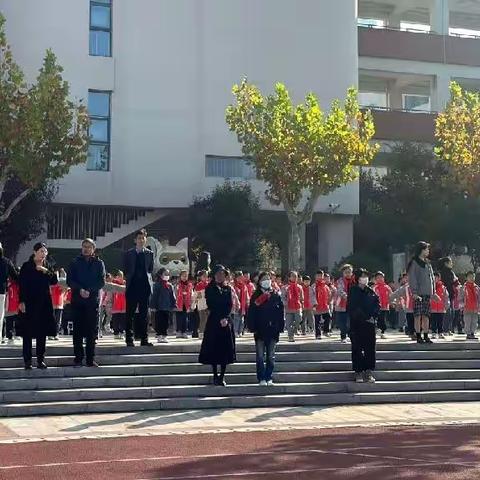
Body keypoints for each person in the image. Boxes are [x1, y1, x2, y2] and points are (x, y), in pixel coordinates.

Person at [18, 242, 58, 370]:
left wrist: (45, 271)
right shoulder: (26, 266)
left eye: (45, 252)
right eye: (41, 251)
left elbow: (54, 281)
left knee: (42, 332)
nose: (43, 254)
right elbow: (22, 285)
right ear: (35, 252)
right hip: (29, 302)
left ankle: (40, 360)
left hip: (44, 303)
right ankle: (27, 361)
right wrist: (22, 301)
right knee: (28, 332)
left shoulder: (48, 266)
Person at [67, 238, 106, 367]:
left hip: (92, 301)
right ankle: (78, 358)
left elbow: (101, 281)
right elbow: (70, 281)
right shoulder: (74, 262)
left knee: (91, 332)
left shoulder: (99, 263)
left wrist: (89, 290)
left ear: (93, 249)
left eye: (89, 247)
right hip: (77, 301)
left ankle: (90, 359)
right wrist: (80, 290)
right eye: (84, 246)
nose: (86, 249)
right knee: (77, 331)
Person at [199, 265, 236, 386]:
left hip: (225, 321)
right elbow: (210, 303)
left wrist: (225, 318)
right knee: (214, 348)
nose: (220, 276)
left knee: (225, 348)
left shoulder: (228, 288)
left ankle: (222, 376)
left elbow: (229, 304)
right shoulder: (210, 288)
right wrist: (219, 317)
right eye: (218, 274)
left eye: (223, 274)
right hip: (214, 320)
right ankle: (215, 375)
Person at [247, 272, 285, 386]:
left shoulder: (275, 295)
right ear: (259, 281)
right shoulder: (256, 295)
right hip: (260, 330)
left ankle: (269, 376)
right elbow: (251, 312)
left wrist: (280, 327)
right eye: (264, 279)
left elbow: (280, 312)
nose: (267, 280)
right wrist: (252, 327)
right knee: (260, 356)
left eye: (268, 278)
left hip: (272, 330)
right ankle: (261, 377)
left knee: (270, 355)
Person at [347, 268, 380, 383]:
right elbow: (352, 307)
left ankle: (369, 371)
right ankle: (358, 372)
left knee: (370, 349)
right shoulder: (353, 290)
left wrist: (373, 316)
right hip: (357, 324)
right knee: (357, 348)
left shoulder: (371, 291)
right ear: (357, 278)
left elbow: (377, 304)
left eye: (366, 276)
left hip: (369, 324)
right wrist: (363, 317)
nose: (364, 278)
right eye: (362, 276)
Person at [123, 229, 154, 347]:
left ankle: (144, 339)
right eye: (139, 238)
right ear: (135, 240)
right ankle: (129, 339)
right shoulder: (128, 253)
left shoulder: (149, 253)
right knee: (129, 314)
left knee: (144, 314)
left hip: (144, 287)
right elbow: (126, 269)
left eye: (143, 238)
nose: (141, 240)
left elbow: (150, 269)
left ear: (145, 239)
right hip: (132, 287)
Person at [407, 241, 437, 344]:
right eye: (426, 249)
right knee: (417, 315)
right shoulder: (414, 262)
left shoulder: (428, 263)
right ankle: (418, 335)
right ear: (421, 250)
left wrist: (433, 292)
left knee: (426, 315)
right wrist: (414, 292)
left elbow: (432, 278)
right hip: (418, 293)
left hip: (427, 293)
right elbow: (413, 278)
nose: (428, 251)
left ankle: (426, 335)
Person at [150, 268, 176, 343]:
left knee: (166, 322)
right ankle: (159, 335)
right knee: (159, 322)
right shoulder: (157, 285)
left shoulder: (170, 285)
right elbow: (154, 296)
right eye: (165, 274)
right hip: (159, 307)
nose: (167, 276)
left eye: (168, 274)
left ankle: (164, 335)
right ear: (161, 275)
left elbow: (172, 296)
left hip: (167, 307)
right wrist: (153, 306)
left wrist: (173, 304)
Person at [0, 242, 19, 344]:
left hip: (2, 291)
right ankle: (1, 336)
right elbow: (15, 276)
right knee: (0, 315)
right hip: (1, 291)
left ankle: (2, 336)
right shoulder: (6, 262)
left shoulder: (6, 262)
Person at [439, 257, 459, 336]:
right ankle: (445, 329)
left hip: (451, 294)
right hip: (446, 294)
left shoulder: (450, 272)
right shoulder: (444, 272)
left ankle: (449, 329)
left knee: (451, 313)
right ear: (446, 263)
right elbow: (448, 282)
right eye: (450, 262)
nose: (452, 264)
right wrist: (454, 280)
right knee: (447, 312)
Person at [281, 271, 304, 342]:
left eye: (296, 276)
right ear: (289, 277)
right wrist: (285, 303)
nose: (294, 278)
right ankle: (290, 336)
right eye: (293, 276)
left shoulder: (299, 287)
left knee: (299, 319)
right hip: (288, 308)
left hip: (297, 307)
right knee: (289, 323)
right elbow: (283, 297)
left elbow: (302, 297)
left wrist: (302, 303)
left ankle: (295, 330)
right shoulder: (285, 287)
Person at [335, 264, 354, 343]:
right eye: (346, 272)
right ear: (343, 273)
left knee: (351, 321)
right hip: (341, 304)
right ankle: (343, 336)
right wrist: (347, 296)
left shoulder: (354, 281)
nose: (348, 274)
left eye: (349, 272)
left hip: (352, 305)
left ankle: (350, 335)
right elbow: (340, 290)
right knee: (342, 322)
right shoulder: (340, 281)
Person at [313, 270, 332, 340]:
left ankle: (325, 331)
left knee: (328, 317)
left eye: (321, 275)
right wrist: (314, 304)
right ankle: (318, 334)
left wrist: (329, 301)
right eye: (318, 275)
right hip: (317, 306)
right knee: (317, 321)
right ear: (315, 277)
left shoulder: (325, 286)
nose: (320, 277)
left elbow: (329, 294)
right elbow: (312, 295)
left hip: (324, 305)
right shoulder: (314, 286)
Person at [175, 269, 195, 339]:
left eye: (186, 276)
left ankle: (184, 332)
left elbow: (192, 294)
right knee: (178, 319)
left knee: (185, 318)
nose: (185, 277)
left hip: (186, 304)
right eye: (183, 276)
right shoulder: (178, 285)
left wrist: (191, 303)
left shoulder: (189, 285)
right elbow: (175, 294)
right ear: (180, 276)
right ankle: (178, 331)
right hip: (179, 304)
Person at [430, 271, 450, 339]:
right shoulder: (430, 287)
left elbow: (446, 297)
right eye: (434, 277)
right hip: (432, 308)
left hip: (441, 308)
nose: (435, 278)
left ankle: (440, 332)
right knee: (433, 321)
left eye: (436, 277)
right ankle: (433, 332)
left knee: (440, 321)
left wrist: (446, 305)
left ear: (439, 278)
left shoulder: (443, 287)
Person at [49, 268, 68, 341]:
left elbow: (66, 286)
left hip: (59, 305)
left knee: (58, 321)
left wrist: (64, 274)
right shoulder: (52, 285)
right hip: (52, 304)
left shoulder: (61, 285)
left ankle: (56, 333)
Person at [373, 271, 392, 339]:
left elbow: (391, 295)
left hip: (385, 307)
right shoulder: (375, 287)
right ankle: (378, 331)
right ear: (375, 279)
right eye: (378, 278)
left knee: (383, 320)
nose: (380, 279)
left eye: (381, 277)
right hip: (377, 307)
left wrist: (393, 302)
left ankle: (381, 332)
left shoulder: (387, 287)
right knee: (379, 319)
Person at [461, 271, 480, 340]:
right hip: (467, 308)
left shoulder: (477, 288)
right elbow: (461, 297)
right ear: (466, 278)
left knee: (474, 321)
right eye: (470, 277)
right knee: (467, 321)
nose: (471, 278)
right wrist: (461, 306)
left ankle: (472, 332)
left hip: (475, 308)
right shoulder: (464, 287)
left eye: (473, 277)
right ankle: (468, 333)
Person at [233, 271, 249, 338]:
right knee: (236, 318)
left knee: (241, 319)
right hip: (236, 304)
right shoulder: (233, 285)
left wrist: (248, 301)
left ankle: (240, 331)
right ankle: (235, 331)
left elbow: (247, 295)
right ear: (236, 278)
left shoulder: (244, 286)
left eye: (241, 277)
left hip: (243, 305)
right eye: (239, 277)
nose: (240, 278)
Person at [111, 270, 127, 340]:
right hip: (115, 305)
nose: (120, 277)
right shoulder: (113, 284)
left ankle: (122, 332)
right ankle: (116, 333)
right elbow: (110, 294)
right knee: (115, 320)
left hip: (123, 304)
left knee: (123, 320)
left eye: (121, 276)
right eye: (118, 276)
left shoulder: (125, 283)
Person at [194, 270, 209, 338]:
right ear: (200, 277)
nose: (205, 277)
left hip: (208, 305)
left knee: (208, 319)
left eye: (206, 276)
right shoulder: (198, 285)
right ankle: (201, 333)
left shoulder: (209, 284)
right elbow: (195, 295)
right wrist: (194, 304)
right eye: (204, 276)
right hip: (201, 305)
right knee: (203, 319)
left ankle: (206, 332)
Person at [5, 278, 20, 344]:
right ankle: (9, 336)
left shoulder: (16, 283)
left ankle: (16, 334)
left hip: (15, 305)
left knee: (15, 320)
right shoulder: (8, 284)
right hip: (9, 306)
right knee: (9, 321)